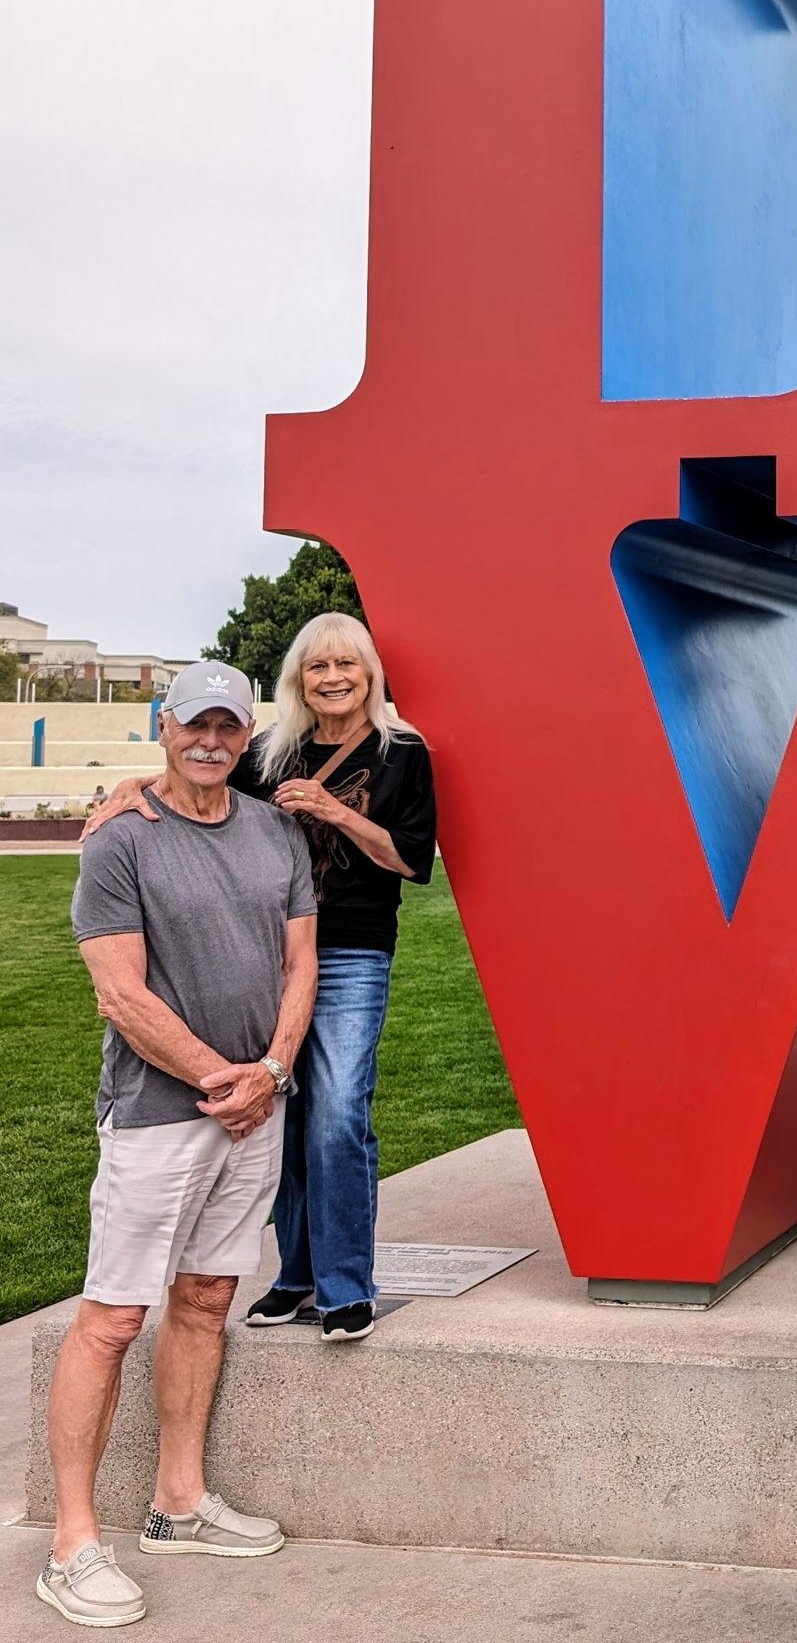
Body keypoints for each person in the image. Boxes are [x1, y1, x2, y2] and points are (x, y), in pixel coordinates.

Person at [42, 660, 315, 1629]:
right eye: (193, 723)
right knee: (112, 1317)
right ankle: (73, 1541)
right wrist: (220, 1078)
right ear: (164, 726)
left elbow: (299, 960)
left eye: (227, 727)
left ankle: (180, 1501)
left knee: (204, 1299)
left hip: (256, 1104)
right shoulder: (120, 839)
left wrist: (272, 1072)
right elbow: (119, 990)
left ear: (246, 735)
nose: (210, 740)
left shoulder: (273, 831)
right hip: (165, 1115)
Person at [84, 613, 435, 1344]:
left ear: (370, 673)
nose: (333, 678)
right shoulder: (271, 749)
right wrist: (127, 784)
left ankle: (345, 1285)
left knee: (337, 1112)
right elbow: (197, 766)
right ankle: (295, 1275)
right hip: (265, 949)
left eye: (348, 664)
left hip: (349, 952)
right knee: (287, 1112)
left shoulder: (402, 752)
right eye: (317, 666)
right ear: (297, 679)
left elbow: (410, 859)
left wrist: (335, 811)